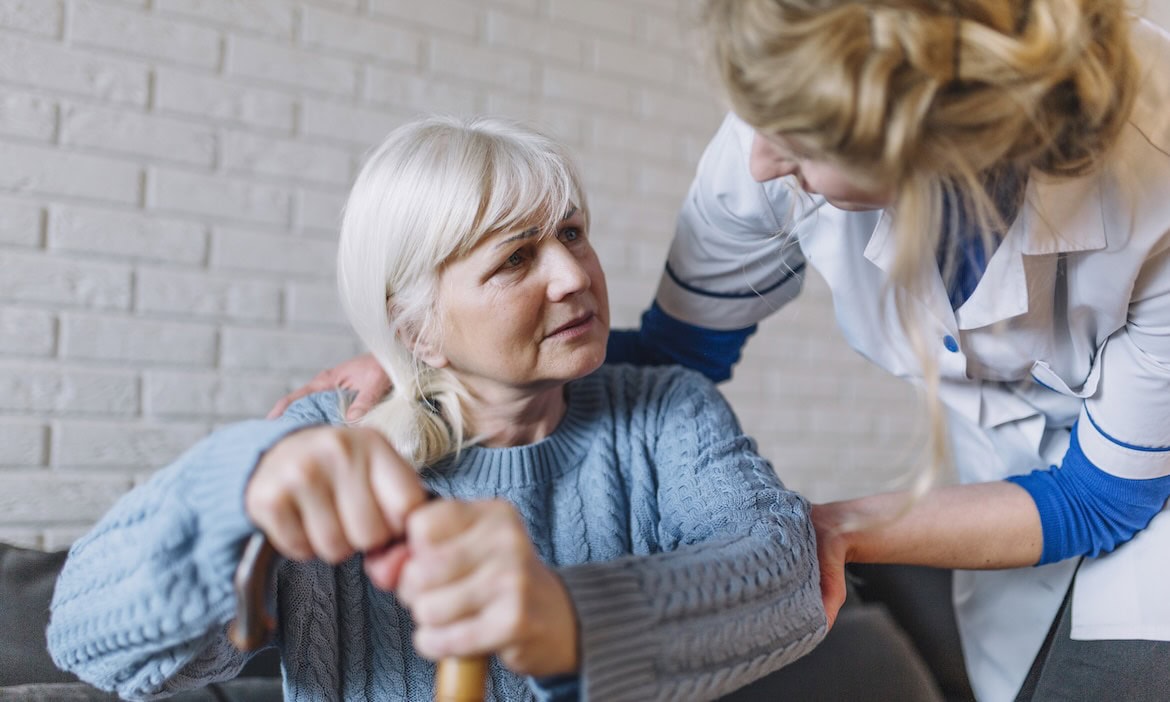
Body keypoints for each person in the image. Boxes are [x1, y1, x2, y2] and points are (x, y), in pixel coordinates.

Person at [273, 3, 1170, 700]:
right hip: (1014, 482)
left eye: (572, 234)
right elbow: (672, 352)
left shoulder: (1154, 173)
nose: (762, 159)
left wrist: (832, 529)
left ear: (923, 138)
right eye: (513, 259)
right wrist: (430, 370)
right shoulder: (765, 137)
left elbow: (1101, 496)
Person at [46, 116, 828, 702]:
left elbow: (788, 575)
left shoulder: (665, 413)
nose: (572, 275)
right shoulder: (326, 445)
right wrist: (231, 494)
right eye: (515, 257)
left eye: (572, 233)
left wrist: (566, 618)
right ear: (416, 329)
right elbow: (91, 645)